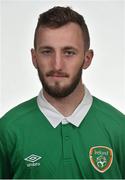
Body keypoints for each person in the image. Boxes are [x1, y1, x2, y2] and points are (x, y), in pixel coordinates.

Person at [0, 6, 125, 179]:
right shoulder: (7, 130)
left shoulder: (119, 128)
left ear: (87, 59)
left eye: (69, 52)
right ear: (34, 58)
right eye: (47, 52)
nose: (57, 65)